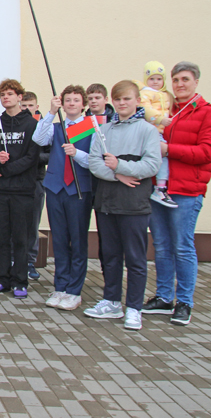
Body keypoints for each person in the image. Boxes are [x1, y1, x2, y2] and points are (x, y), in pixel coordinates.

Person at [144, 62, 211, 326]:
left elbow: (208, 152)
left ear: (196, 82)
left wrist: (170, 150)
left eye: (185, 79)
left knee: (182, 246)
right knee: (162, 245)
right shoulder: (165, 110)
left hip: (187, 191)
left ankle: (184, 302)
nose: (179, 84)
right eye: (175, 80)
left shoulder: (208, 114)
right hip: (159, 189)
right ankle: (164, 297)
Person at [85, 80, 161, 331]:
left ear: (137, 100)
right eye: (117, 99)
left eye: (126, 99)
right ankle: (111, 301)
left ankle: (134, 308)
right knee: (110, 256)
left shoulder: (147, 131)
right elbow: (95, 164)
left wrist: (121, 166)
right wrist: (118, 174)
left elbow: (151, 166)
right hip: (106, 203)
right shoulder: (104, 130)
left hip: (134, 205)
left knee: (136, 259)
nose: (122, 103)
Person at [33, 85, 94, 312]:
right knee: (59, 240)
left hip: (79, 189)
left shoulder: (91, 128)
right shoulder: (56, 127)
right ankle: (60, 286)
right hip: (57, 188)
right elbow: (38, 139)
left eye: (76, 100)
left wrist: (77, 154)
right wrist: (50, 112)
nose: (71, 104)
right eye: (67, 100)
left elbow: (96, 160)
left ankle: (74, 290)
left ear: (83, 104)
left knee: (77, 240)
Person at [0, 78, 40, 299]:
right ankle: (1, 278)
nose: (6, 97)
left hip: (23, 191)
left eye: (10, 94)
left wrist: (5, 170)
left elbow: (32, 158)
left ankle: (20, 281)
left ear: (19, 97)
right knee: (0, 237)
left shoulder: (32, 125)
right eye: (2, 95)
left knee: (21, 238)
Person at [139, 61, 177, 208]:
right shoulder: (145, 93)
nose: (155, 82)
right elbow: (146, 109)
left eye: (159, 79)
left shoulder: (165, 94)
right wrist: (160, 119)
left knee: (163, 158)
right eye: (152, 78)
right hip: (151, 130)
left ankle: (160, 187)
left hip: (161, 132)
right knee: (153, 157)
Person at [20, 91, 50, 281]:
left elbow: (49, 154)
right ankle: (16, 259)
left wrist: (30, 159)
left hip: (36, 181)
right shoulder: (15, 126)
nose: (26, 109)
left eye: (30, 105)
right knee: (16, 223)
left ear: (36, 107)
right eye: (23, 106)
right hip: (16, 181)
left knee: (32, 223)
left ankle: (30, 261)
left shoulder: (43, 127)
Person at [86, 82, 114, 275]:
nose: (94, 101)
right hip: (85, 179)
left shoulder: (115, 120)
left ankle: (109, 273)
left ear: (105, 99)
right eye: (90, 98)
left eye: (97, 98)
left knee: (107, 233)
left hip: (107, 181)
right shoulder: (82, 120)